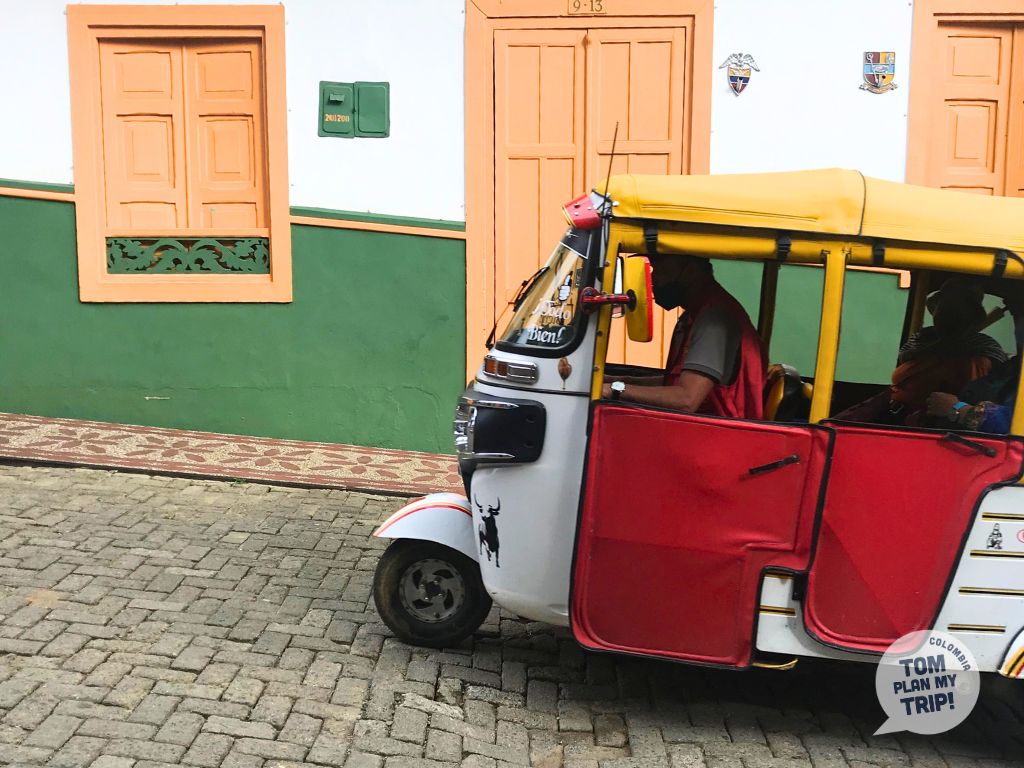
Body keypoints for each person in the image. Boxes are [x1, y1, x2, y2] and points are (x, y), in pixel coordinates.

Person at [602, 255, 767, 419]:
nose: (653, 277)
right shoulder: (696, 314)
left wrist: (614, 389)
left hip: (712, 436)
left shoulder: (714, 320)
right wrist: (617, 380)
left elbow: (686, 400)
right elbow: (674, 383)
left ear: (691, 272)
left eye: (660, 268)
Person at [890, 279, 1007, 419]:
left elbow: (969, 403)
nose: (945, 316)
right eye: (942, 308)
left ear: (971, 317)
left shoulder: (981, 354)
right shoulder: (921, 338)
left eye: (955, 310)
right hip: (896, 415)